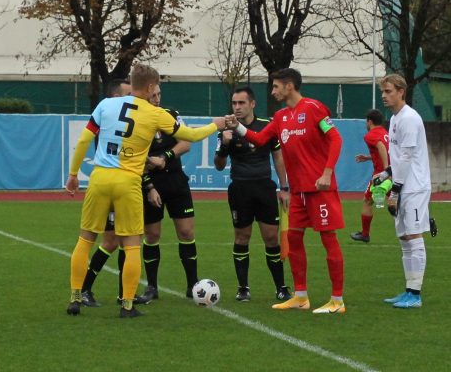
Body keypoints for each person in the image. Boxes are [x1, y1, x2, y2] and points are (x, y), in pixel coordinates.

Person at [65, 64, 225, 318]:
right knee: (131, 246)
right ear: (150, 87)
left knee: (85, 239)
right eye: (157, 87)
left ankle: (75, 297)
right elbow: (191, 136)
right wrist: (216, 125)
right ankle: (127, 305)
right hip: (128, 182)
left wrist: (74, 175)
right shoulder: (154, 113)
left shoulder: (106, 104)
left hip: (100, 178)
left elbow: (85, 140)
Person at [225, 68, 346, 314]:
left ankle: (337, 300)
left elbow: (336, 139)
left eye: (276, 86)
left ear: (289, 86)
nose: (273, 91)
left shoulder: (314, 108)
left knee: (328, 239)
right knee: (293, 239)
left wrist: (327, 172)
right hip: (299, 192)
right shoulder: (280, 117)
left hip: (320, 189)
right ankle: (301, 296)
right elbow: (259, 140)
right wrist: (237, 127)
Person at [214, 87, 292, 302]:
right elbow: (219, 165)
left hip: (264, 188)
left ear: (252, 104)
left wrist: (284, 188)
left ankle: (281, 287)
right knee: (242, 237)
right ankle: (243, 288)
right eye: (234, 103)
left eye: (241, 103)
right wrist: (225, 146)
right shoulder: (226, 131)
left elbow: (278, 158)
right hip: (240, 189)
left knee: (270, 237)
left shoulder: (267, 126)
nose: (237, 107)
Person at [373, 74, 431, 309]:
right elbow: (399, 159)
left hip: (414, 186)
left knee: (414, 236)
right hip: (403, 184)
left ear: (401, 92)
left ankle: (415, 295)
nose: (384, 96)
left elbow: (407, 158)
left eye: (388, 91)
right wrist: (385, 173)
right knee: (404, 237)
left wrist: (394, 190)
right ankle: (408, 290)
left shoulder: (409, 118)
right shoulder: (395, 119)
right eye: (383, 92)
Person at [135, 84, 197, 303]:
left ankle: (193, 285)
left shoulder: (171, 115)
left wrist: (164, 158)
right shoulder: (138, 121)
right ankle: (151, 287)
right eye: (153, 95)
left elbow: (186, 143)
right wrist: (149, 187)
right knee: (152, 235)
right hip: (152, 185)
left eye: (159, 94)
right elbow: (136, 158)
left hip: (176, 181)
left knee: (187, 232)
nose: (157, 99)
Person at [80, 79, 132, 307]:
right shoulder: (114, 123)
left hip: (127, 186)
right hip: (116, 187)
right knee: (115, 240)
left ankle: (123, 295)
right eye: (127, 95)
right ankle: (85, 289)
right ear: (114, 98)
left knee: (121, 241)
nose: (132, 99)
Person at [350, 109, 390, 243]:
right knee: (397, 204)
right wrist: (367, 157)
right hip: (394, 174)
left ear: (370, 122)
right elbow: (385, 149)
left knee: (367, 201)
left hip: (381, 176)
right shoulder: (385, 133)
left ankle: (365, 234)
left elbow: (381, 148)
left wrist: (386, 170)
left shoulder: (371, 135)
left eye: (366, 122)